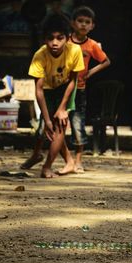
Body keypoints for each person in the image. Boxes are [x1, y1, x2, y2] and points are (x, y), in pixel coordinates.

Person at [21, 12, 84, 178]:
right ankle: (67, 161)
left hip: (66, 89)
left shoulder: (75, 51)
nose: (55, 43)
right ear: (44, 38)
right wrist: (47, 118)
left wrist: (63, 107)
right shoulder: (39, 56)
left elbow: (73, 81)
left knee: (60, 126)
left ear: (68, 37)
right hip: (48, 91)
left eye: (60, 38)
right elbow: (39, 89)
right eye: (50, 38)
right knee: (47, 127)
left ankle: (47, 166)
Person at [68, 5, 110, 173]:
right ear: (73, 23)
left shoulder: (92, 45)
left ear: (92, 26)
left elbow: (106, 61)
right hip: (60, 88)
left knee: (78, 123)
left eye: (87, 22)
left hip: (79, 89)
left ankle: (78, 160)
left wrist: (91, 71)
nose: (83, 25)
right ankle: (60, 159)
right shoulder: (65, 41)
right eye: (80, 21)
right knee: (56, 124)